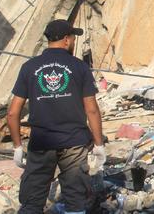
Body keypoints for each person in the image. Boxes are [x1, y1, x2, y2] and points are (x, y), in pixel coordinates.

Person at [7, 19, 105, 214]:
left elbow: (12, 112)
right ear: (67, 40)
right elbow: (92, 110)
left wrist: (18, 146)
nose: (74, 42)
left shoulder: (29, 67)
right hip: (74, 144)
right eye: (74, 38)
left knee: (31, 203)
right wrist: (99, 143)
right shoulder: (79, 67)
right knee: (75, 202)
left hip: (41, 143)